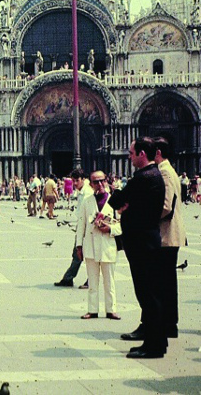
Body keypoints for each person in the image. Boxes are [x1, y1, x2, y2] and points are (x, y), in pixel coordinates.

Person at [108, 137, 166, 358]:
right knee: (151, 293)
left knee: (147, 294)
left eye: (131, 153)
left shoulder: (142, 178)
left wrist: (116, 194)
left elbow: (116, 202)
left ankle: (153, 346)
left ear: (142, 154)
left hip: (141, 243)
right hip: (148, 239)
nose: (129, 158)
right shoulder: (155, 176)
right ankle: (157, 341)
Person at [149, 137, 186, 338]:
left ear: (158, 153)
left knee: (166, 282)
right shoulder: (167, 170)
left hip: (167, 234)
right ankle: (168, 323)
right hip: (168, 233)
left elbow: (165, 207)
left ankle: (169, 324)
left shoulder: (165, 172)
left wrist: (146, 219)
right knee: (166, 280)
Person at [76, 171, 122, 320]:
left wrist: (110, 228)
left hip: (108, 244)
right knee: (92, 281)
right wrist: (79, 246)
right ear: (91, 184)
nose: (100, 184)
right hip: (90, 245)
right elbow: (81, 225)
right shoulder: (87, 201)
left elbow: (123, 225)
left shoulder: (114, 200)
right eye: (96, 182)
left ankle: (111, 309)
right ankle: (92, 310)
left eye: (102, 181)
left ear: (107, 181)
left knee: (109, 281)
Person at [54, 169, 93, 287]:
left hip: (87, 229)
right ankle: (68, 278)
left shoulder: (87, 193)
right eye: (73, 181)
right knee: (78, 253)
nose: (75, 183)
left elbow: (89, 214)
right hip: (82, 227)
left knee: (85, 254)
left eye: (77, 180)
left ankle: (87, 280)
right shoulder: (82, 192)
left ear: (83, 180)